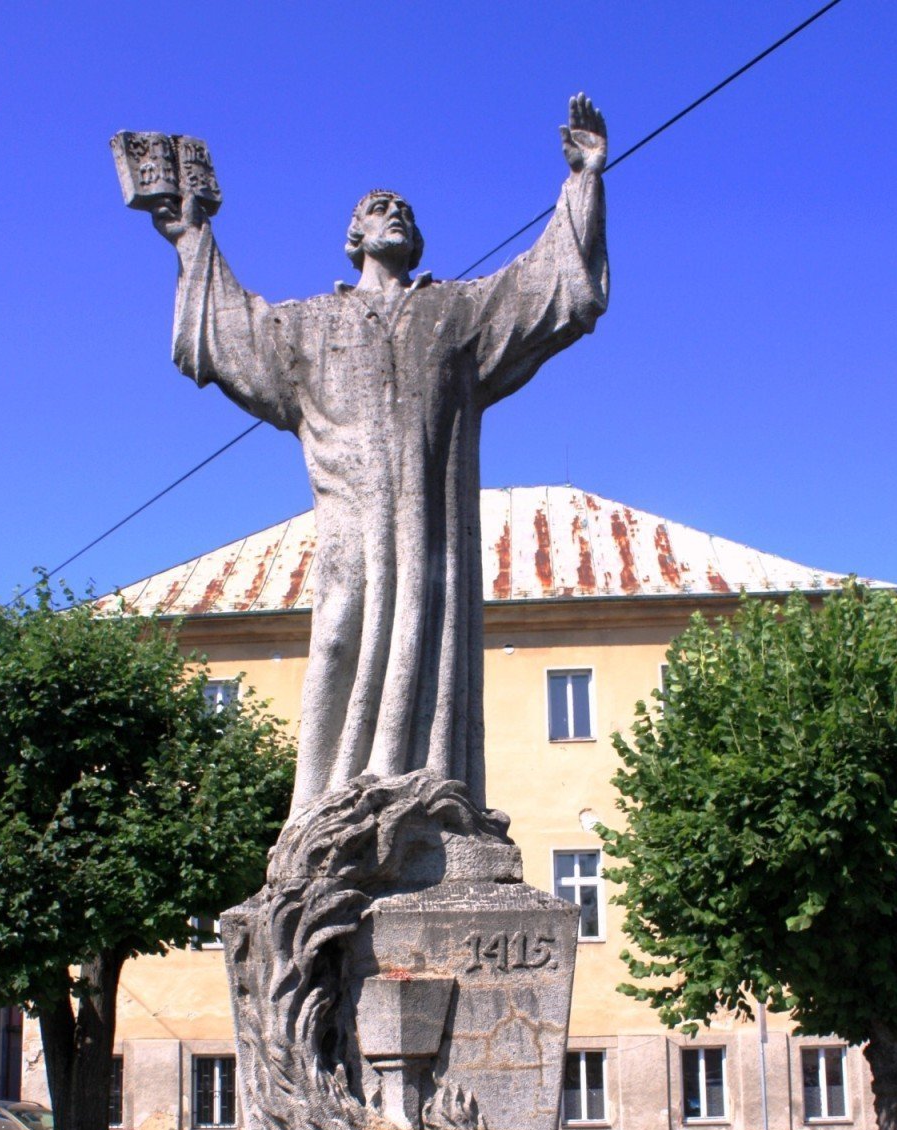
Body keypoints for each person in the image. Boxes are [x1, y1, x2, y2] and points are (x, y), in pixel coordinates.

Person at [151, 95, 608, 815]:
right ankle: (322, 821)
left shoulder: (453, 314)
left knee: (433, 656)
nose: (394, 212)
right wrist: (191, 240)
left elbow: (544, 291)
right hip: (350, 543)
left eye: (404, 210)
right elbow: (230, 335)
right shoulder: (307, 326)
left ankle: (425, 816)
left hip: (431, 544)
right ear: (353, 236)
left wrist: (583, 180)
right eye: (378, 207)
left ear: (416, 242)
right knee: (336, 645)